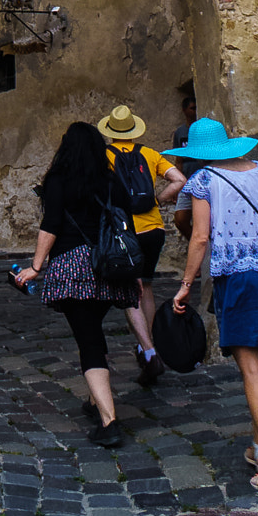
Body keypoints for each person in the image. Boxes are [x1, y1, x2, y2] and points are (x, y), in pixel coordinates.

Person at [162, 117, 258, 496]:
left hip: (238, 278)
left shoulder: (203, 181)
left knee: (252, 371)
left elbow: (199, 237)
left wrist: (185, 287)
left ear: (196, 153)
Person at [14, 121, 153, 448]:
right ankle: (94, 401)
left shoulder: (58, 180)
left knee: (88, 339)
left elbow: (51, 225)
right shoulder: (112, 181)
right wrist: (134, 272)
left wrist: (36, 267)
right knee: (92, 331)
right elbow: (127, 227)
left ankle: (109, 421)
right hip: (109, 268)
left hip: (73, 268)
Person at [98, 104, 186, 384]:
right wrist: (157, 200)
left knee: (129, 288)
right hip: (154, 228)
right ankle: (147, 344)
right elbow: (179, 180)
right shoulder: (150, 154)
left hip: (125, 231)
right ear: (134, 131)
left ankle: (148, 351)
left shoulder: (105, 155)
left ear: (111, 132)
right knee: (146, 285)